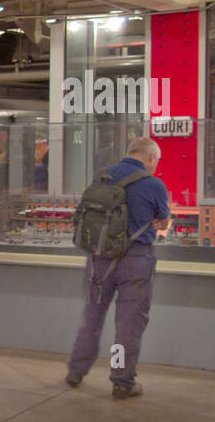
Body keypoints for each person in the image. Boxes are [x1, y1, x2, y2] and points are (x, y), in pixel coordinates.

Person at [66, 136, 171, 397]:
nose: (156, 165)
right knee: (127, 325)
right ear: (149, 157)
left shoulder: (102, 177)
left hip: (98, 259)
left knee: (92, 316)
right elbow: (163, 221)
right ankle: (121, 382)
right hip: (136, 261)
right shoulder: (153, 184)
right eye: (156, 160)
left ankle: (76, 371)